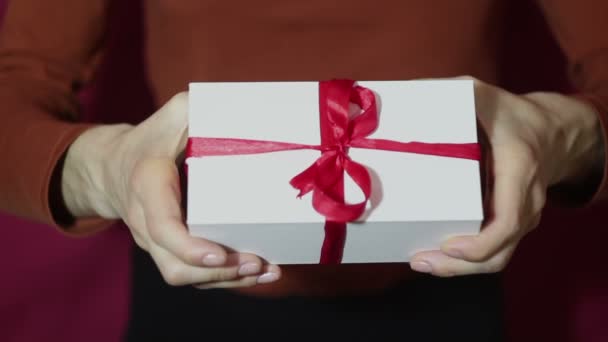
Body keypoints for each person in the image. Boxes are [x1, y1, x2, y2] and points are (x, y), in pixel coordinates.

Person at [0, 0, 606, 340]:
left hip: (446, 279)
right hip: (195, 285)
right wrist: (107, 168)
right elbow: (16, 92)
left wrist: (563, 137)